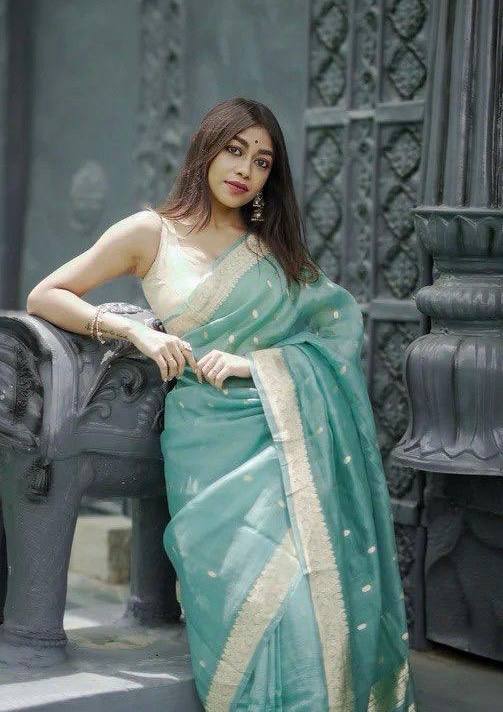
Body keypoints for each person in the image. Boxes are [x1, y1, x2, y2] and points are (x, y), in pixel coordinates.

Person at [26, 97, 418, 711]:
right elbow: (47, 294)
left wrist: (253, 364)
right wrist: (134, 331)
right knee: (240, 595)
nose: (245, 170)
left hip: (281, 436)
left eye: (262, 161)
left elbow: (335, 329)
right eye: (235, 151)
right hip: (206, 439)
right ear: (206, 150)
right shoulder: (149, 232)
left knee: (304, 601)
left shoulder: (272, 250)